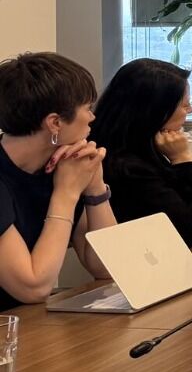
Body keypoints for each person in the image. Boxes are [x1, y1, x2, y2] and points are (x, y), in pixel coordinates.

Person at [0, 53, 115, 308]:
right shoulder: (62, 180)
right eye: (88, 108)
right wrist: (66, 194)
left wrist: (95, 185)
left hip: (29, 322)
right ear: (55, 123)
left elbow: (108, 267)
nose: (92, 117)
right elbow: (33, 287)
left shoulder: (63, 167)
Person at [91, 59, 192, 247]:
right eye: (185, 105)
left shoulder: (137, 150)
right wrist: (183, 159)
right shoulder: (129, 169)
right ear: (157, 111)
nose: (190, 110)